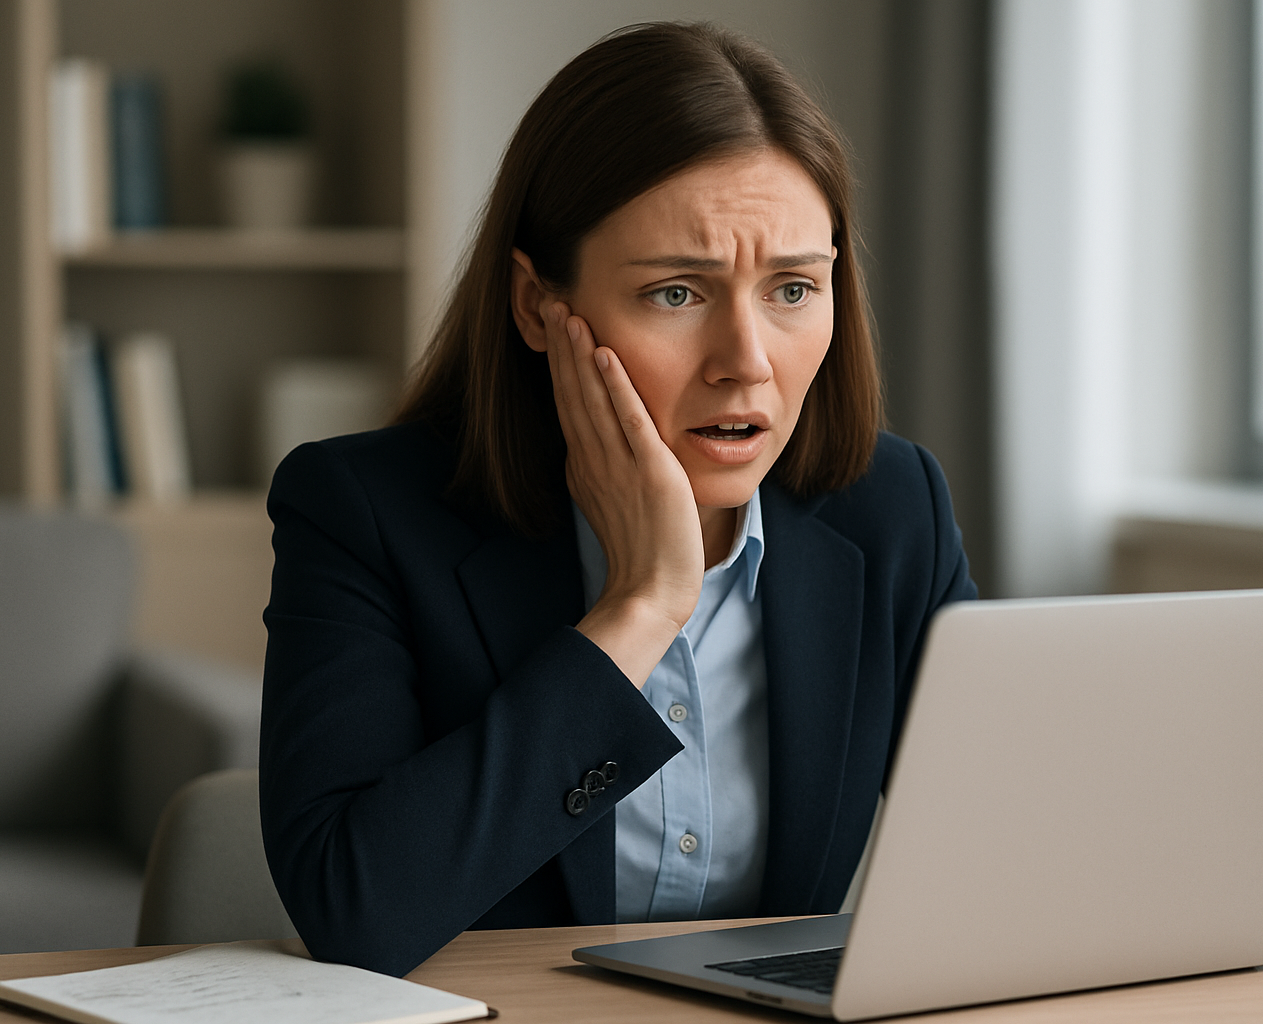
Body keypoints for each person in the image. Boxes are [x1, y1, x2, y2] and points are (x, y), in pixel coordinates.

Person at [259, 21, 977, 979]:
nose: (747, 362)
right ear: (534, 306)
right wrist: (640, 606)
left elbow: (1019, 842)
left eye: (793, 288)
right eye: (677, 294)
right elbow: (352, 911)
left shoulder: (891, 510)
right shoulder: (362, 511)